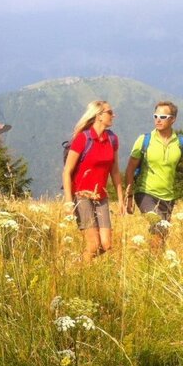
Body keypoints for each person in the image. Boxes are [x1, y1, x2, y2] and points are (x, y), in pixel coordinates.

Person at [124, 100, 183, 251]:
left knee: (162, 235)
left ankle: (152, 265)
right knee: (159, 227)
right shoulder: (144, 140)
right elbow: (130, 168)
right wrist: (129, 195)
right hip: (145, 193)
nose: (158, 119)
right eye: (155, 116)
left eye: (163, 116)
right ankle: (151, 265)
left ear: (173, 119)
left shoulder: (181, 142)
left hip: (168, 196)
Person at [62, 100, 124, 262]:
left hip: (101, 197)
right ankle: (80, 275)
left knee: (106, 245)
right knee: (93, 245)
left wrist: (121, 199)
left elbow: (115, 171)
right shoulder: (83, 139)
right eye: (110, 112)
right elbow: (67, 171)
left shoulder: (112, 139)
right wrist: (69, 201)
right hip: (81, 196)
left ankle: (78, 264)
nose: (113, 115)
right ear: (99, 116)